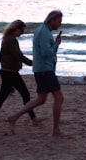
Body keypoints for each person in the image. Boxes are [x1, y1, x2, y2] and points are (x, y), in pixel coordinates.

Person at [8, 9, 64, 137]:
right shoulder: (44, 32)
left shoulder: (42, 30)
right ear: (52, 20)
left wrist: (54, 44)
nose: (59, 24)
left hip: (41, 69)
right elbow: (46, 53)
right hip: (45, 70)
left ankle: (14, 117)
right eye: (59, 21)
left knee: (41, 99)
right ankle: (56, 130)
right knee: (59, 98)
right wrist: (56, 45)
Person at [0, 20, 41, 126]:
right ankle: (33, 119)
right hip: (10, 73)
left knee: (3, 96)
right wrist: (33, 63)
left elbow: (7, 56)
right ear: (16, 29)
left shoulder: (6, 39)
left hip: (6, 71)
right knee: (25, 94)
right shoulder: (11, 40)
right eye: (21, 30)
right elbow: (18, 55)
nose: (22, 33)